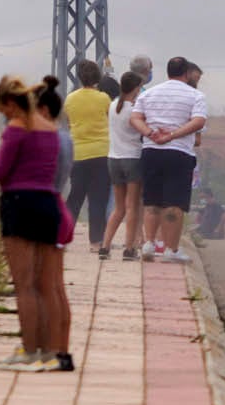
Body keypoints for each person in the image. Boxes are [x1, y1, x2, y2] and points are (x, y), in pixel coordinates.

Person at [0, 75, 72, 373]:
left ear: (10, 103)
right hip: (48, 204)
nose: (4, 116)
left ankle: (30, 351)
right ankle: (50, 351)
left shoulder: (17, 129)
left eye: (3, 110)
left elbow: (1, 169)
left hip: (19, 205)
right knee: (43, 284)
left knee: (24, 285)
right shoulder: (51, 130)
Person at [133, 56, 209, 264]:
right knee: (174, 204)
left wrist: (150, 133)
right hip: (179, 153)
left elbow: (135, 118)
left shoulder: (150, 93)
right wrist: (173, 135)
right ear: (186, 73)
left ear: (167, 72)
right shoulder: (196, 96)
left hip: (151, 151)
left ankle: (149, 244)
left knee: (152, 200)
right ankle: (171, 249)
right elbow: (198, 121)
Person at [28, 77, 76, 367]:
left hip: (46, 211)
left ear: (43, 110)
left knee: (48, 287)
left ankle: (55, 351)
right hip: (56, 209)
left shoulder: (49, 140)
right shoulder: (64, 137)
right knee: (54, 286)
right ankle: (60, 350)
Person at [63, 60, 113, 252]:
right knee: (98, 199)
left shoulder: (70, 99)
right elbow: (110, 119)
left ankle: (63, 238)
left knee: (75, 197)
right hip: (101, 152)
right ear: (98, 78)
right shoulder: (104, 98)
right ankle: (95, 242)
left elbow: (69, 122)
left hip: (78, 153)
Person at [100, 70, 146, 260]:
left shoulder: (112, 106)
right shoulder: (134, 111)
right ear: (136, 89)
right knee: (132, 207)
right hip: (132, 158)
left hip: (114, 159)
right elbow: (142, 130)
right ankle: (129, 248)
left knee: (118, 208)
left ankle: (105, 245)